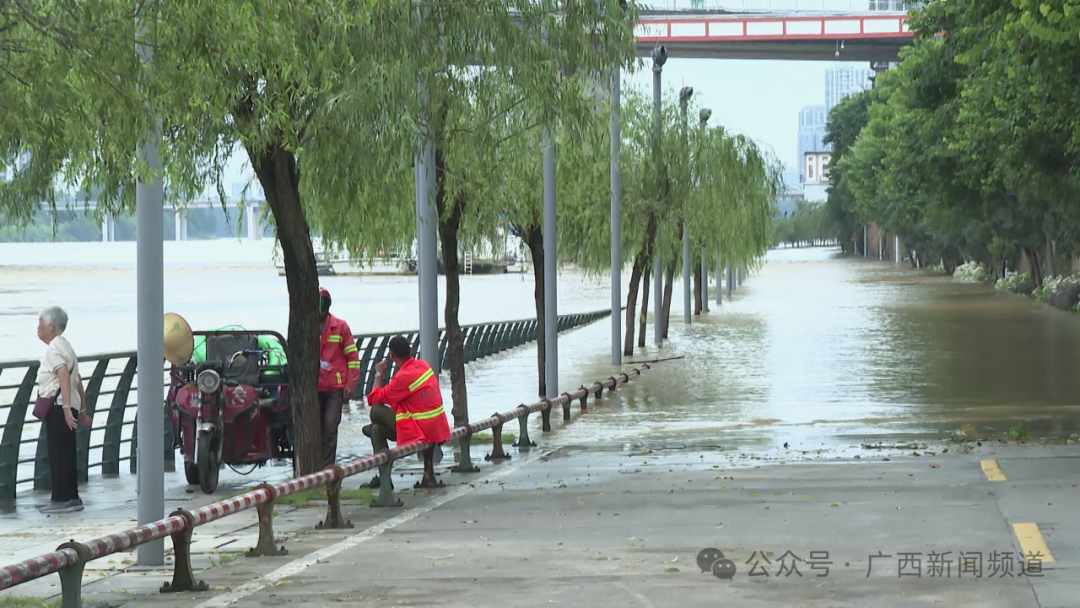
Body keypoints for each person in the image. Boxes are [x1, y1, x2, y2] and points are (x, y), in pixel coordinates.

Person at [362, 336, 450, 488]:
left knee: (376, 410)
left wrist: (378, 374)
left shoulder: (403, 377)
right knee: (377, 431)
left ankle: (385, 481)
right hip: (437, 426)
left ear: (392, 356)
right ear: (410, 350)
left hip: (419, 431)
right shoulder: (423, 366)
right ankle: (393, 480)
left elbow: (374, 399)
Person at [35, 306, 90, 513]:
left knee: (58, 454)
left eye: (40, 323)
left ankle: (61, 500)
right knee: (66, 453)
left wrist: (66, 409)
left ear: (50, 326)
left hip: (59, 408)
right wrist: (81, 409)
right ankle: (71, 497)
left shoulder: (54, 349)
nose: (37, 328)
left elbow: (65, 377)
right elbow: (78, 379)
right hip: (67, 406)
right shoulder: (66, 345)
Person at [317, 286, 361, 469]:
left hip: (335, 387)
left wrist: (350, 384)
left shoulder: (340, 327)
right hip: (314, 387)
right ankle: (315, 468)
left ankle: (327, 469)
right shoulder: (305, 327)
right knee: (316, 428)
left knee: (330, 426)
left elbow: (353, 358)